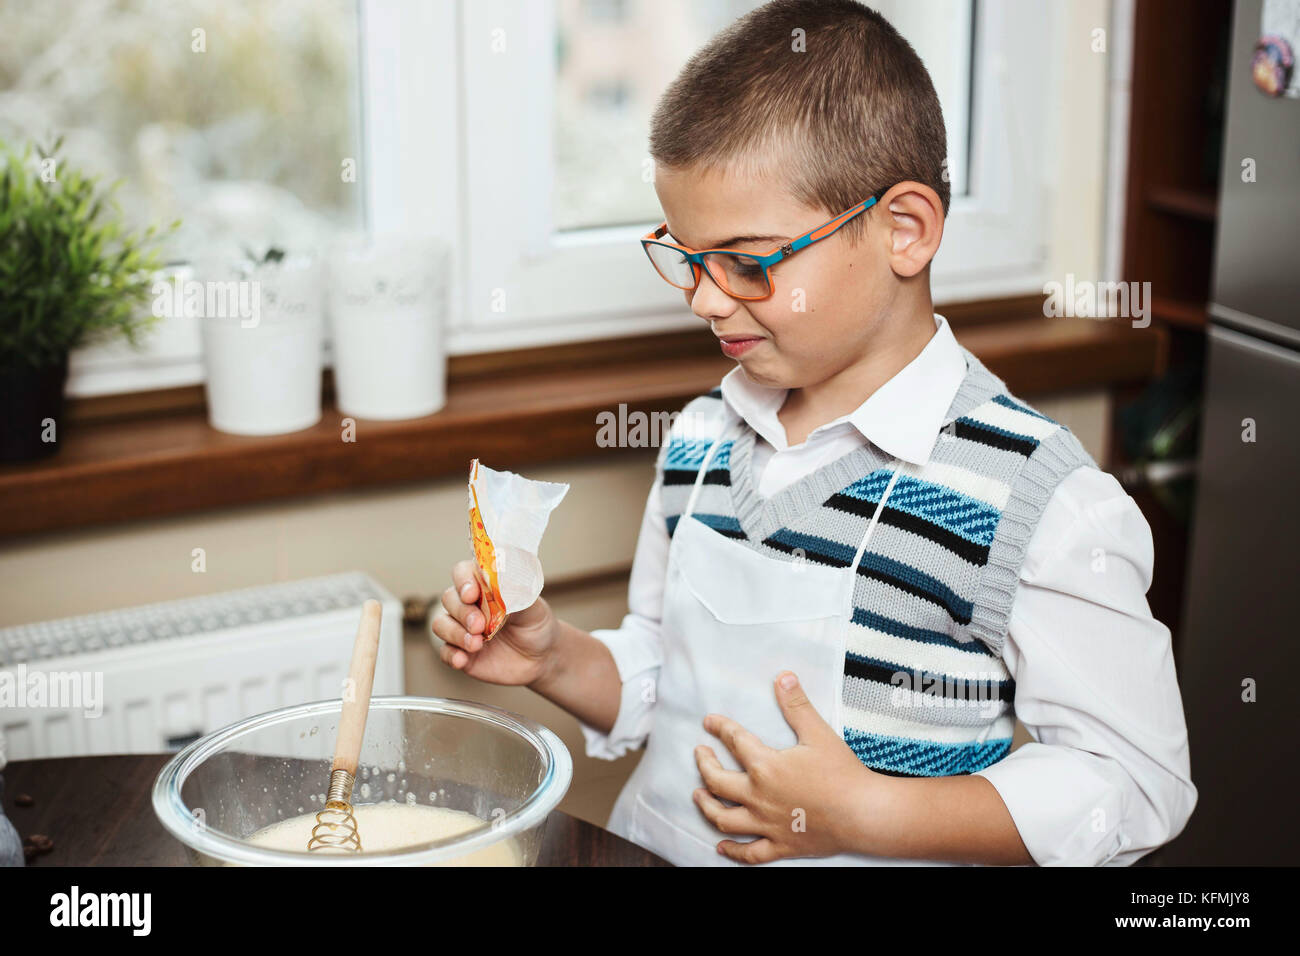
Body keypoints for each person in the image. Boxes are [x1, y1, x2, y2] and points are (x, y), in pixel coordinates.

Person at [432, 0, 1196, 866]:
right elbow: (665, 671)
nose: (707, 299)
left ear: (903, 230)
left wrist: (869, 815)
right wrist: (554, 659)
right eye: (686, 258)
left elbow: (1134, 785)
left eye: (748, 263)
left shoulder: (1036, 498)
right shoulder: (700, 439)